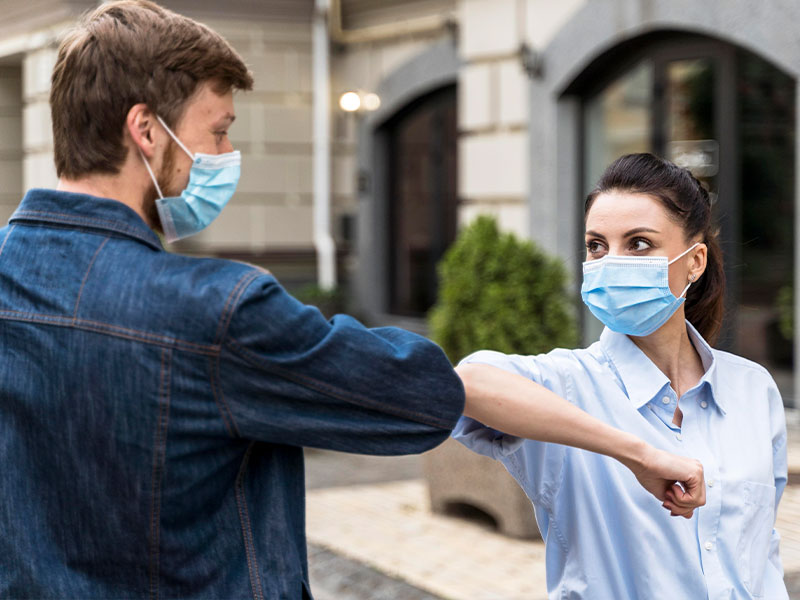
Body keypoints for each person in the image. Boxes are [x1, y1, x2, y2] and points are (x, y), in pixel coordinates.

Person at [0, 2, 705, 597]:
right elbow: (432, 393)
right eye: (217, 132)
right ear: (147, 132)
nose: (222, 155)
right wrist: (635, 449)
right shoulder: (215, 314)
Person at [454, 152, 789, 600]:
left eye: (638, 244)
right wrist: (639, 454)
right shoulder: (564, 384)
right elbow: (468, 383)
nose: (611, 262)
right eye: (597, 245)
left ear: (696, 261)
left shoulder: (753, 388)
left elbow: (760, 550)